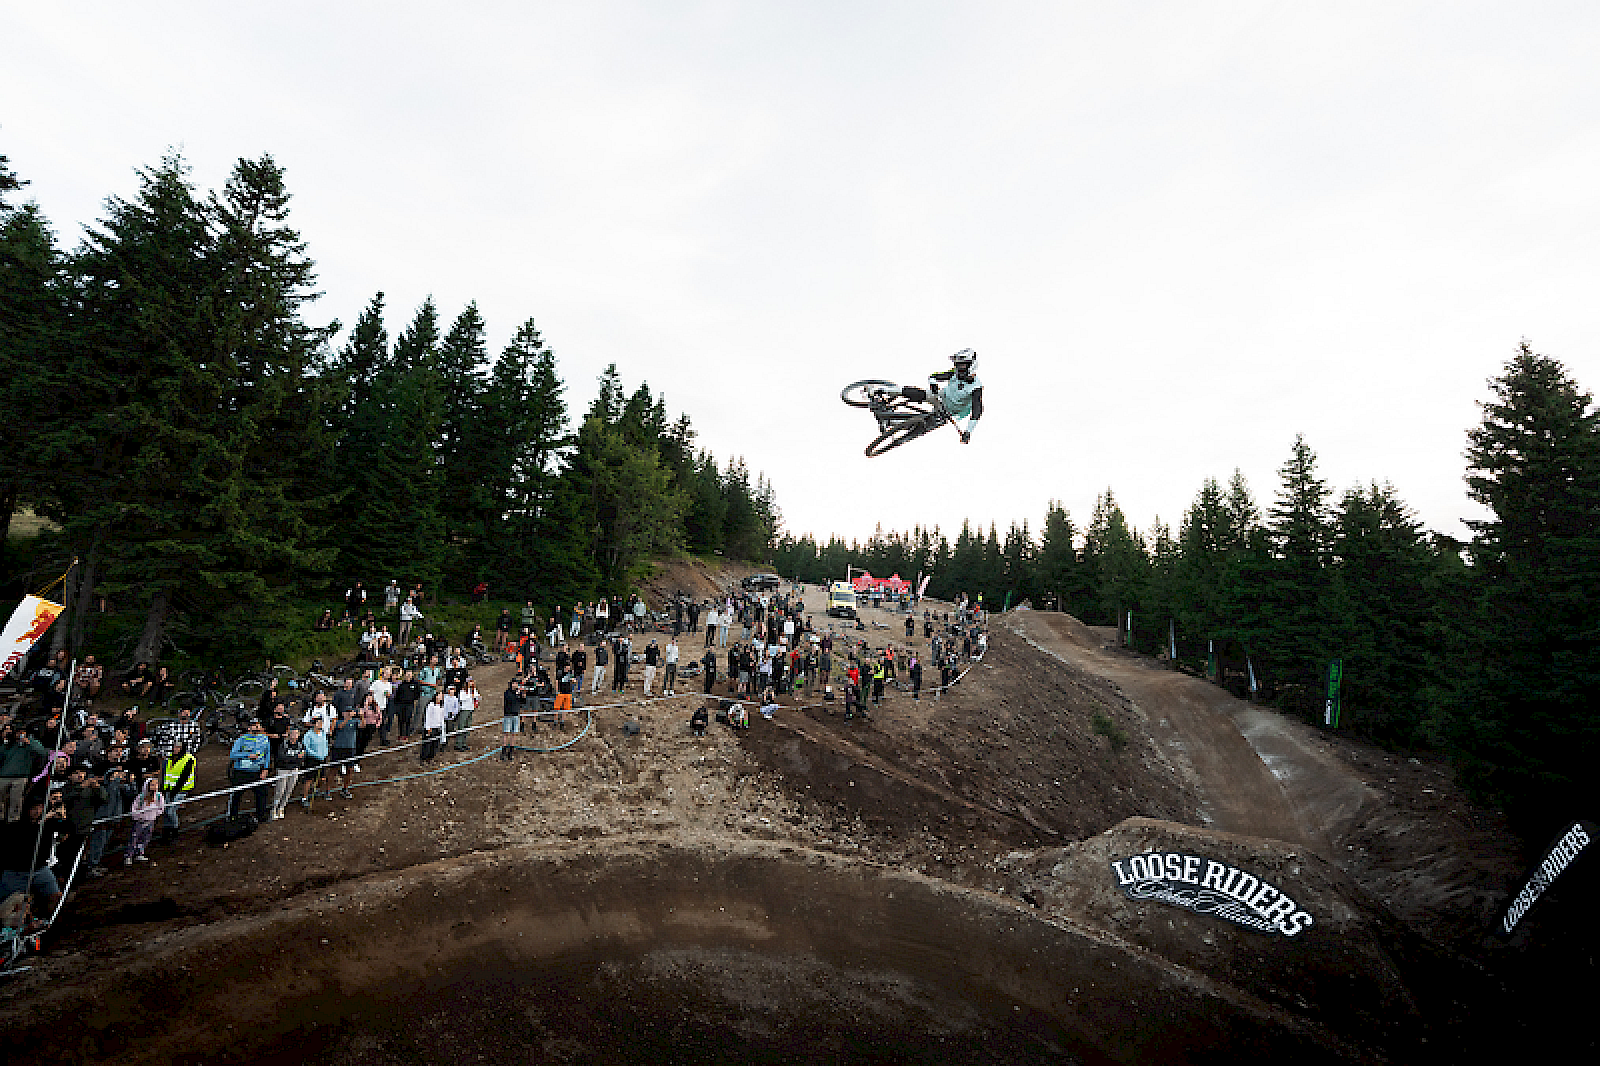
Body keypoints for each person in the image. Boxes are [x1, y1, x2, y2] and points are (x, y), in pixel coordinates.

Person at [899, 349, 983, 443]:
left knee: (924, 425)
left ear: (971, 365)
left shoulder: (976, 388)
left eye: (962, 365)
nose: (958, 368)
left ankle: (892, 424)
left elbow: (976, 412)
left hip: (947, 412)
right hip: (941, 397)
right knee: (923, 394)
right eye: (957, 365)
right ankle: (889, 391)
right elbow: (933, 377)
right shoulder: (954, 373)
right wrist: (933, 384)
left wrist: (968, 432)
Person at [226, 720, 273, 821]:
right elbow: (233, 755)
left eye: (258, 725)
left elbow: (267, 754)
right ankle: (232, 817)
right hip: (241, 772)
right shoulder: (241, 739)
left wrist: (265, 768)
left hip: (258, 772)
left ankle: (261, 816)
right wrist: (247, 755)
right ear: (249, 728)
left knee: (262, 794)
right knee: (236, 795)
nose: (256, 727)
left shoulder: (265, 739)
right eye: (253, 725)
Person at [157, 740, 196, 842]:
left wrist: (175, 789)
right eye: (174, 747)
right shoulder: (169, 758)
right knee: (166, 811)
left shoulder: (189, 759)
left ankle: (174, 830)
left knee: (171, 811)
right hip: (168, 789)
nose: (175, 749)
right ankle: (166, 831)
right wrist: (162, 789)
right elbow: (165, 775)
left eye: (178, 747)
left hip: (181, 790)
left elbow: (185, 776)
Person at [126, 778, 165, 864]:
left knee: (145, 838)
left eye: (156, 785)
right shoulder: (141, 797)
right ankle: (129, 855)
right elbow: (134, 808)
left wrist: (154, 815)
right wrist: (138, 816)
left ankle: (140, 853)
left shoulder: (159, 796)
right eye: (152, 785)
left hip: (151, 821)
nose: (155, 787)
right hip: (139, 821)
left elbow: (161, 808)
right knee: (134, 838)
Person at [454, 681, 480, 752]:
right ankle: (458, 744)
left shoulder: (473, 690)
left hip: (470, 709)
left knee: (467, 727)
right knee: (461, 726)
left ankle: (464, 743)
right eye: (470, 682)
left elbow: (477, 696)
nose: (471, 683)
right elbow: (462, 699)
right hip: (464, 709)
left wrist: (474, 696)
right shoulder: (462, 691)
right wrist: (470, 696)